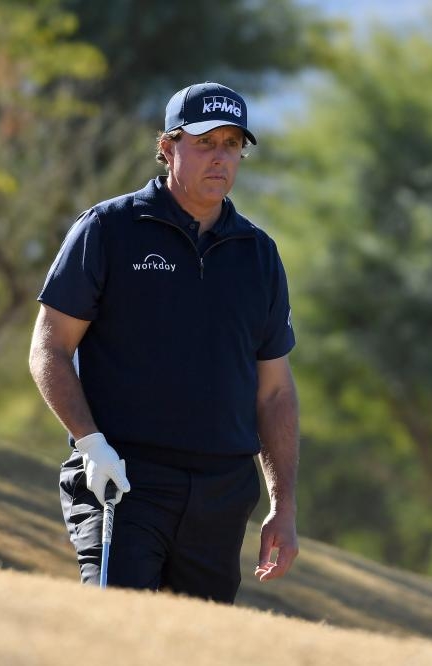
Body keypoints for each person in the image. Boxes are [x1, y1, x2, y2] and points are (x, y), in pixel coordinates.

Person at [29, 82, 299, 603]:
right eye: (205, 142)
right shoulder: (109, 229)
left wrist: (282, 506)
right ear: (168, 146)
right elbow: (49, 348)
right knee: (117, 636)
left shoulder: (259, 255)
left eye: (231, 144)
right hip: (123, 479)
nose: (220, 158)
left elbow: (275, 393)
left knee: (194, 648)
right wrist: (90, 444)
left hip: (221, 495)